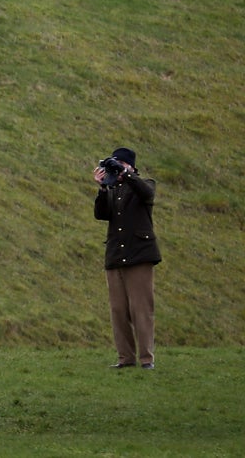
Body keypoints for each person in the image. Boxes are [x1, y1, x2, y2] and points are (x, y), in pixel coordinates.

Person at [92, 147, 162, 370]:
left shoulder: (143, 184)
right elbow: (101, 214)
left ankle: (146, 359)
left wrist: (126, 174)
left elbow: (147, 193)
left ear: (131, 165)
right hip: (116, 256)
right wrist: (103, 187)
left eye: (121, 163)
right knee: (118, 310)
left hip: (139, 255)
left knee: (141, 309)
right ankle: (125, 358)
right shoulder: (113, 189)